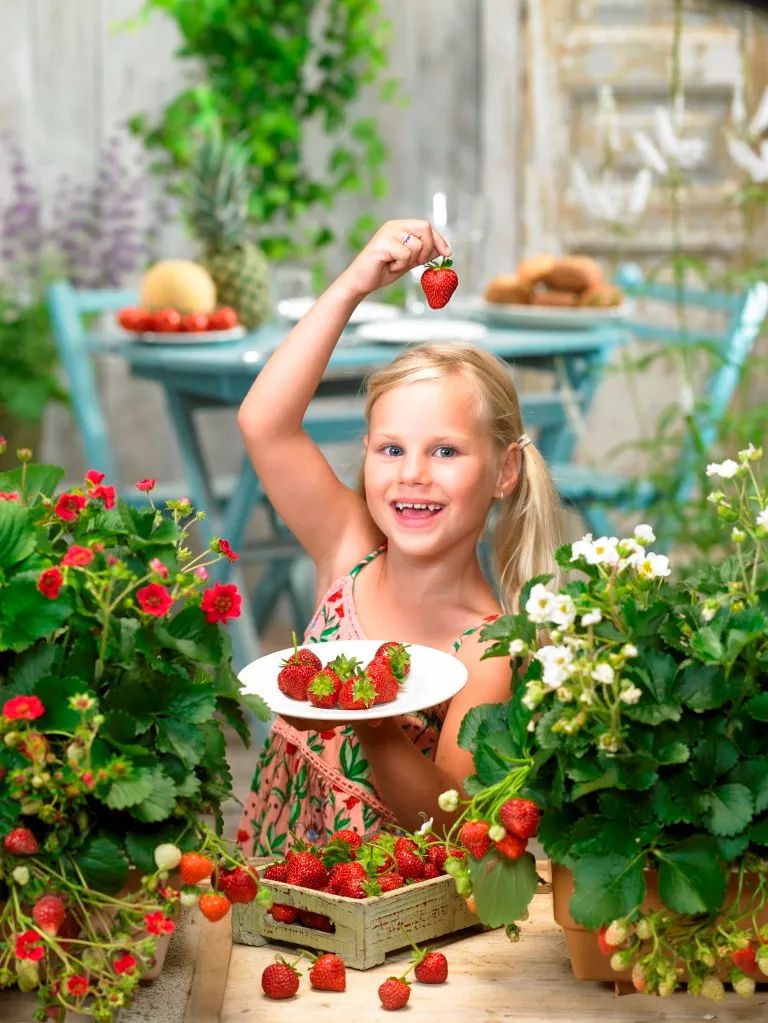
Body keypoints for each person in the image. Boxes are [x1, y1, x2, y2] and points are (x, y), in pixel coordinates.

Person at [236, 219, 563, 857]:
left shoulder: (486, 649)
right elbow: (264, 423)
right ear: (366, 455)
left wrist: (375, 725)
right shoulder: (351, 549)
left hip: (385, 920)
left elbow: (448, 826)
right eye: (392, 449)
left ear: (504, 471)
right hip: (273, 890)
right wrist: (354, 286)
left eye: (444, 450)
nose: (412, 473)